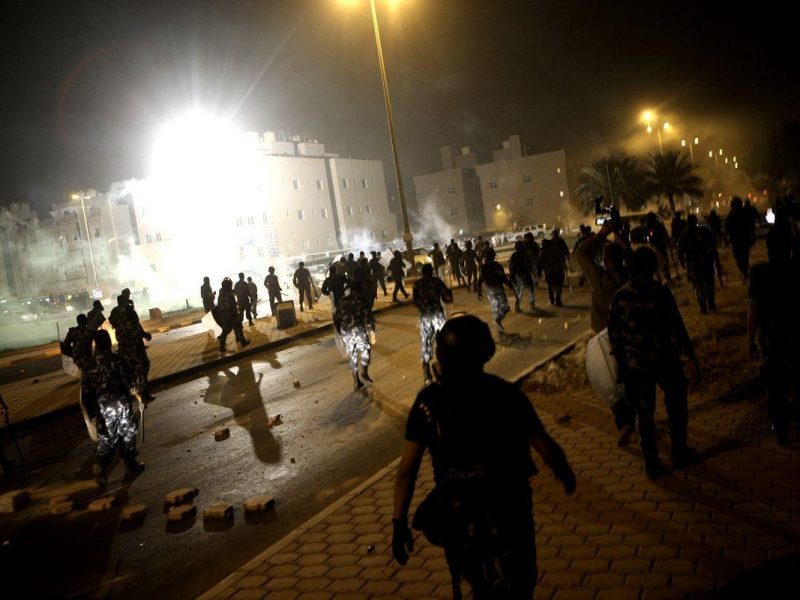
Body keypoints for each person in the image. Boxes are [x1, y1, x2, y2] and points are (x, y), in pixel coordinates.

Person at [392, 315, 576, 599]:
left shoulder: (428, 401)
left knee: (471, 581)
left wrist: (398, 523)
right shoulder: (506, 394)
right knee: (521, 581)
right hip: (509, 503)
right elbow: (544, 444)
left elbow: (407, 470)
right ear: (486, 352)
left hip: (457, 509)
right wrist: (564, 472)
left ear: (441, 354)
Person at [608, 247, 702, 479]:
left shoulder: (620, 297)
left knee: (644, 415)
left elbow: (615, 339)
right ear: (651, 268)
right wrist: (690, 357)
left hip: (637, 366)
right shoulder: (660, 293)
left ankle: (652, 464)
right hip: (665, 360)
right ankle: (679, 452)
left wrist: (623, 370)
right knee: (677, 407)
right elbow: (677, 328)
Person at [574, 221, 637, 445]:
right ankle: (639, 417)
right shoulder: (631, 276)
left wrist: (602, 234)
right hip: (630, 337)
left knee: (609, 383)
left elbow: (580, 253)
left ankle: (627, 421)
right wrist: (621, 238)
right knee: (631, 379)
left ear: (605, 260)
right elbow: (633, 258)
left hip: (605, 341)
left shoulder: (599, 279)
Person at [748, 220, 800, 445]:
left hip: (772, 337)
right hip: (794, 335)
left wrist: (749, 339)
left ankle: (780, 427)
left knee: (776, 384)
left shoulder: (759, 273)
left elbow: (754, 307)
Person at [85, 329, 145, 486]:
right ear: (108, 342)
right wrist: (139, 397)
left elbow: (85, 391)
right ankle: (130, 464)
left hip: (101, 406)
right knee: (127, 432)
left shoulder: (88, 365)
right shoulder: (116, 360)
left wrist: (91, 412)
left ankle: (100, 464)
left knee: (106, 437)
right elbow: (130, 384)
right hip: (119, 402)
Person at [412, 264, 452, 384]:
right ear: (432, 271)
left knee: (426, 343)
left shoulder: (417, 285)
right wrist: (449, 292)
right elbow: (447, 298)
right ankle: (445, 367)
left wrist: (423, 307)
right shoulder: (437, 282)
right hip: (437, 315)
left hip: (425, 317)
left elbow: (415, 303)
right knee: (443, 341)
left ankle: (426, 372)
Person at [333, 281, 376, 390]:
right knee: (366, 350)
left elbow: (336, 318)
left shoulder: (342, 301)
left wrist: (340, 333)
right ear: (360, 289)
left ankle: (357, 381)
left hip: (345, 332)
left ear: (350, 289)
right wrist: (371, 330)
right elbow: (368, 317)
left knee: (352, 355)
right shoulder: (362, 300)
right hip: (358, 330)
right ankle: (364, 371)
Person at [678, 214, 722, 313]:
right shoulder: (705, 231)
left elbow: (680, 251)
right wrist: (716, 260)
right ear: (696, 221)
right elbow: (713, 246)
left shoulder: (684, 234)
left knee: (698, 285)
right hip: (707, 262)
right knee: (709, 283)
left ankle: (703, 306)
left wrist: (682, 262)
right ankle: (711, 304)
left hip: (693, 264)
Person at [114, 296, 154, 402]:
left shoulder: (117, 319)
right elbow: (137, 330)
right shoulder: (130, 317)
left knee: (130, 373)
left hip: (124, 352)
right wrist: (146, 334)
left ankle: (134, 395)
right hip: (135, 350)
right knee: (143, 369)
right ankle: (144, 394)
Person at [478, 248, 517, 332]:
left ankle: (497, 324)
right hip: (496, 288)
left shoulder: (484, 267)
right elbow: (503, 277)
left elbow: (480, 280)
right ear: (493, 256)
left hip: (489, 289)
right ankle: (498, 321)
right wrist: (509, 284)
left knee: (496, 306)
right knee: (505, 307)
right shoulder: (497, 266)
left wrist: (479, 291)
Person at [216, 277, 250, 352]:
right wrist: (237, 315)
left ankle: (221, 347)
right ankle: (243, 342)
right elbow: (233, 306)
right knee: (238, 326)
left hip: (223, 314)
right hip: (231, 314)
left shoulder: (221, 293)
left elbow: (219, 305)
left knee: (225, 330)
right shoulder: (229, 294)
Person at [539, 229, 571, 306]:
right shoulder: (554, 249)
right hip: (557, 271)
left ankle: (552, 300)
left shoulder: (542, 253)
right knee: (558, 286)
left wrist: (540, 271)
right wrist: (565, 266)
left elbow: (540, 263)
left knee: (550, 286)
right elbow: (563, 255)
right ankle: (557, 300)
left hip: (549, 272)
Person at [725, 197, 751, 281]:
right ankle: (744, 271)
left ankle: (744, 271)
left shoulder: (740, 214)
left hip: (740, 239)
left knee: (742, 257)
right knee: (741, 257)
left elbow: (749, 226)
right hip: (738, 240)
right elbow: (727, 228)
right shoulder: (732, 215)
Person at [509, 241, 535, 312]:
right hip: (524, 274)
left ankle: (517, 307)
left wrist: (512, 277)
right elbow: (530, 265)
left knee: (519, 291)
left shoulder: (514, 255)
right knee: (530, 289)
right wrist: (532, 272)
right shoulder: (525, 254)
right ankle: (532, 305)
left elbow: (511, 267)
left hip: (518, 275)